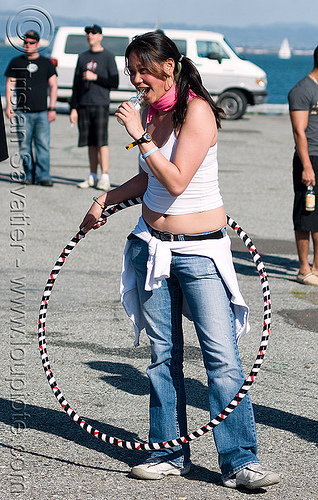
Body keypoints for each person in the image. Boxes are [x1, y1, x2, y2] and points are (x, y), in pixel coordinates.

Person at [80, 31, 280, 490]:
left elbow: (174, 180)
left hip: (200, 251)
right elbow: (147, 176)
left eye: (141, 70)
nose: (134, 79)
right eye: (130, 71)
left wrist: (137, 136)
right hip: (151, 244)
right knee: (162, 355)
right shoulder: (153, 112)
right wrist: (105, 200)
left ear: (168, 67)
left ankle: (240, 461)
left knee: (222, 357)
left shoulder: (198, 112)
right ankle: (170, 452)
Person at [5, 30, 57, 186]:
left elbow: (53, 86)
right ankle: (28, 174)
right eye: (26, 43)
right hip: (22, 112)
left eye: (31, 43)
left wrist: (52, 108)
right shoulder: (16, 62)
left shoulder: (46, 63)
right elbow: (10, 84)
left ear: (38, 44)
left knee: (43, 145)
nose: (28, 45)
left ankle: (43, 176)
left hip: (42, 112)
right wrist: (9, 106)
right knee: (24, 146)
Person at [70, 24, 119, 191]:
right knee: (90, 142)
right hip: (84, 104)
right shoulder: (82, 57)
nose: (90, 35)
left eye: (94, 33)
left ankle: (105, 176)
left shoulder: (108, 56)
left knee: (101, 142)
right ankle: (93, 175)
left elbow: (114, 82)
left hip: (100, 104)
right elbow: (76, 84)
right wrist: (74, 107)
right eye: (88, 33)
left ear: (100, 36)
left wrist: (95, 77)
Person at [288, 47, 318, 286]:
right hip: (310, 158)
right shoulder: (302, 91)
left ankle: (317, 266)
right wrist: (307, 166)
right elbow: (299, 131)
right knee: (306, 213)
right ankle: (303, 268)